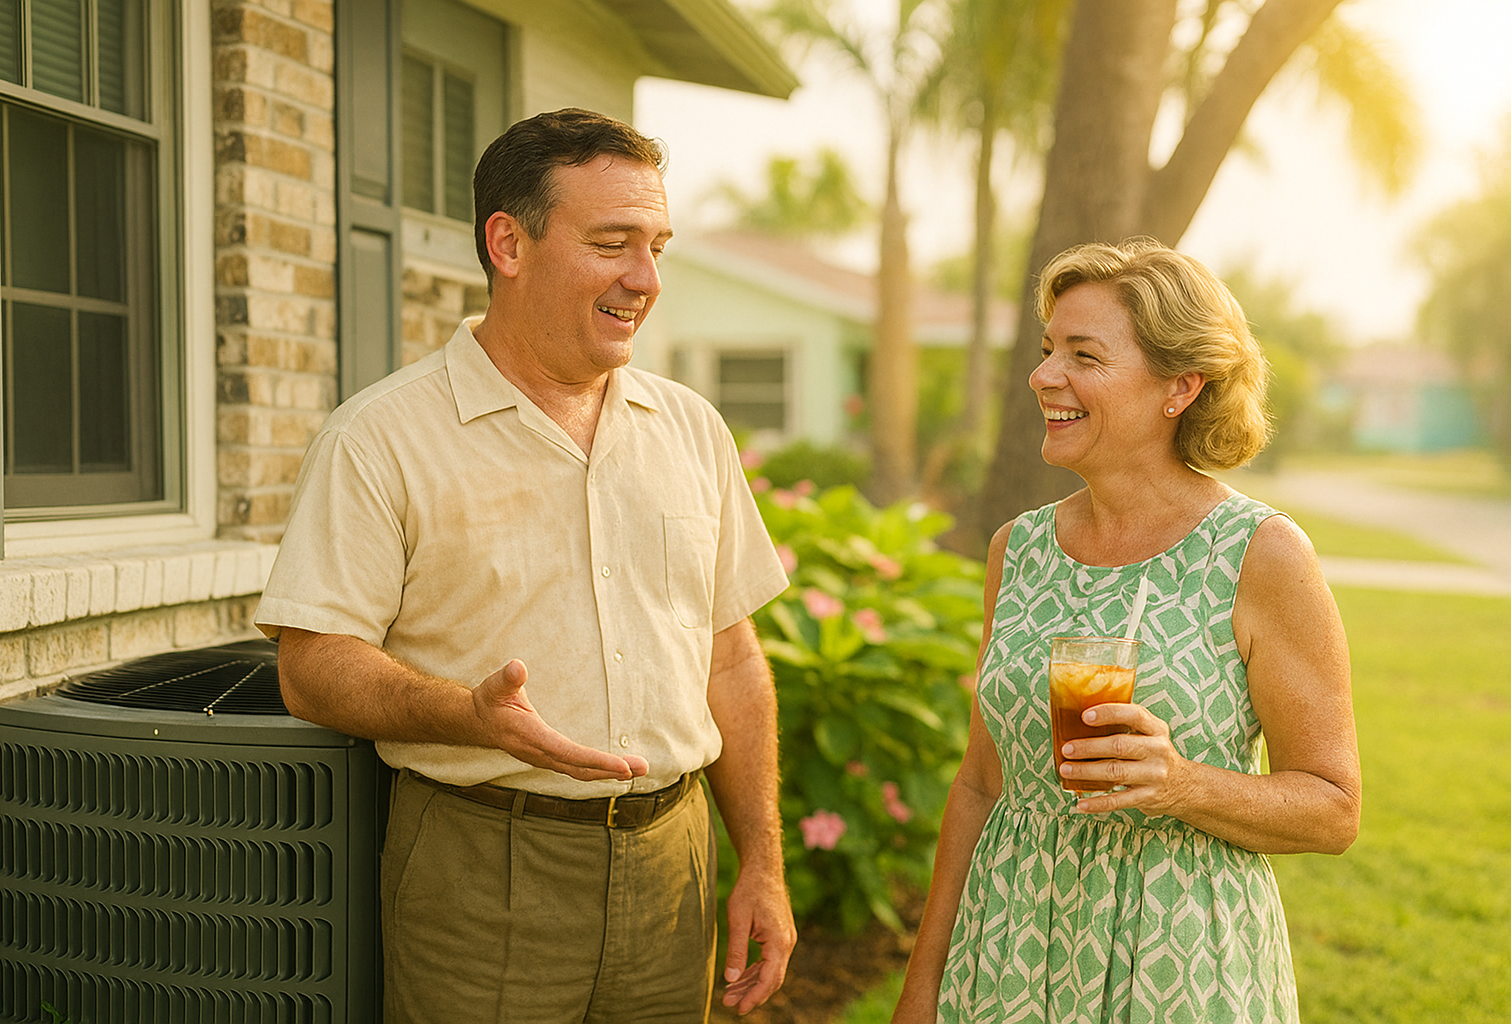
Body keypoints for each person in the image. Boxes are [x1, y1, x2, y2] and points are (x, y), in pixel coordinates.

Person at [255, 108, 795, 1022]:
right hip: (481, 868)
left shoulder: (693, 429)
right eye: (612, 243)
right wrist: (468, 716)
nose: (646, 278)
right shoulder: (379, 438)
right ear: (509, 242)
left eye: (657, 244)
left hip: (675, 868)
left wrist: (765, 866)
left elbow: (731, 658)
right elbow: (312, 668)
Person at [893, 239, 1361, 1023]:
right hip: (1006, 945)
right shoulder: (1019, 548)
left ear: (1180, 385)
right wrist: (923, 980)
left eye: (1084, 355)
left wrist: (1181, 783)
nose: (1044, 376)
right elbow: (982, 783)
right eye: (1047, 351)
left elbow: (1333, 808)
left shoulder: (1262, 554)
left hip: (1178, 958)